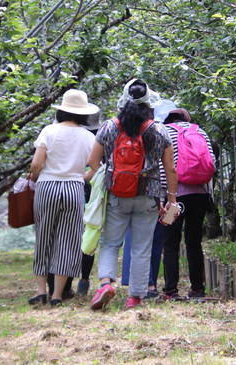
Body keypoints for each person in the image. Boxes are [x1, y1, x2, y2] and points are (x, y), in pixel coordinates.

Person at [84, 78, 178, 310]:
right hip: (149, 195)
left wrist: (110, 173)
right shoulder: (158, 130)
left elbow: (92, 162)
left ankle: (106, 283)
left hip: (116, 194)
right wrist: (172, 199)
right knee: (141, 247)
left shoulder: (110, 126)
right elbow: (171, 168)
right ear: (149, 103)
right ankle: (135, 297)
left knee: (110, 242)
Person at [29, 89, 98, 307]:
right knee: (68, 241)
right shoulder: (89, 137)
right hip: (74, 189)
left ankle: (41, 291)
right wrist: (81, 177)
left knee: (44, 237)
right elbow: (96, 168)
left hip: (47, 186)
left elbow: (37, 163)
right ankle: (58, 295)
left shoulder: (48, 131)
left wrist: (35, 176)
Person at [161, 108, 216, 299]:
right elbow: (212, 163)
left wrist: (165, 196)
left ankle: (170, 290)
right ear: (187, 118)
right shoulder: (200, 132)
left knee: (170, 241)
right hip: (199, 196)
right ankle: (197, 289)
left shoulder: (164, 132)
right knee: (194, 241)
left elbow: (164, 168)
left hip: (173, 199)